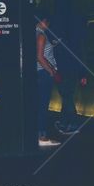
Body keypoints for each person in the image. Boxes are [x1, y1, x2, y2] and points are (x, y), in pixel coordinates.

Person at [50, 0, 88, 135]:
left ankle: (71, 122)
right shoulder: (78, 20)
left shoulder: (57, 21)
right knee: (68, 94)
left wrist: (55, 69)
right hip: (75, 65)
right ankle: (65, 121)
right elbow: (82, 47)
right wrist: (83, 71)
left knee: (66, 94)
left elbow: (55, 45)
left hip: (62, 65)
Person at [33, 14, 62, 148]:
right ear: (43, 21)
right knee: (42, 106)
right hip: (44, 74)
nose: (48, 25)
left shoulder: (31, 34)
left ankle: (37, 134)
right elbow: (40, 57)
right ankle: (42, 136)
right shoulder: (41, 35)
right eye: (47, 22)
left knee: (38, 105)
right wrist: (52, 71)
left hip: (38, 73)